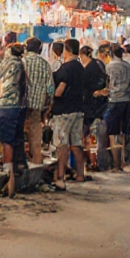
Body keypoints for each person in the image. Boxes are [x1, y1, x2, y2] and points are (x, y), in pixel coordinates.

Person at [0, 43, 27, 196]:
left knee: (7, 141)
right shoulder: (20, 64)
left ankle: (8, 176)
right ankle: (17, 172)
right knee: (15, 140)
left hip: (6, 106)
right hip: (17, 107)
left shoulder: (10, 62)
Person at [50, 38, 86, 188]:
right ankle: (80, 174)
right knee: (76, 142)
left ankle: (60, 178)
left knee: (62, 144)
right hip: (78, 109)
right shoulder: (81, 67)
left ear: (67, 50)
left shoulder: (65, 69)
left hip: (64, 111)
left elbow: (59, 91)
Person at [21, 38, 55, 166]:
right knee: (35, 138)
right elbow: (50, 87)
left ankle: (22, 164)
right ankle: (36, 164)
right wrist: (49, 105)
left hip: (21, 105)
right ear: (40, 49)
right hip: (36, 106)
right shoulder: (45, 64)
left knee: (20, 136)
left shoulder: (22, 61)